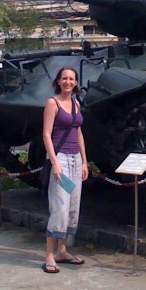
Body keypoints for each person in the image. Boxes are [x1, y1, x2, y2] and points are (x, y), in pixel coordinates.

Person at [41, 66, 88, 273]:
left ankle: (62, 250)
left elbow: (79, 134)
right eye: (64, 78)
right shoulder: (53, 103)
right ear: (58, 81)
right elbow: (46, 134)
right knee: (59, 207)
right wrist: (55, 163)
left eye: (71, 79)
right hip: (60, 159)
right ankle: (49, 255)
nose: (68, 82)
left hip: (75, 160)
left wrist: (84, 161)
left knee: (72, 207)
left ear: (75, 83)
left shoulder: (76, 104)